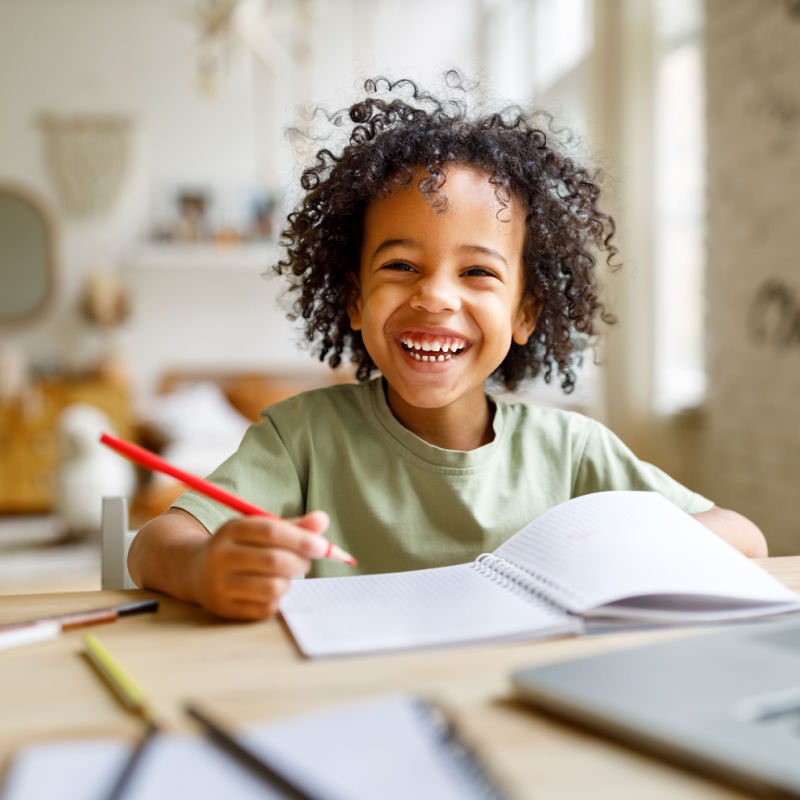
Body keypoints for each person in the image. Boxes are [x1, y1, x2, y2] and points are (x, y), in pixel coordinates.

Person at [127, 73, 767, 620]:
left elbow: (745, 539)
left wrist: (614, 551)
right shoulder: (301, 439)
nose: (435, 297)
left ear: (526, 313)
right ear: (354, 299)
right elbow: (154, 544)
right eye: (401, 266)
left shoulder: (573, 451)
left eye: (478, 273)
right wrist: (205, 566)